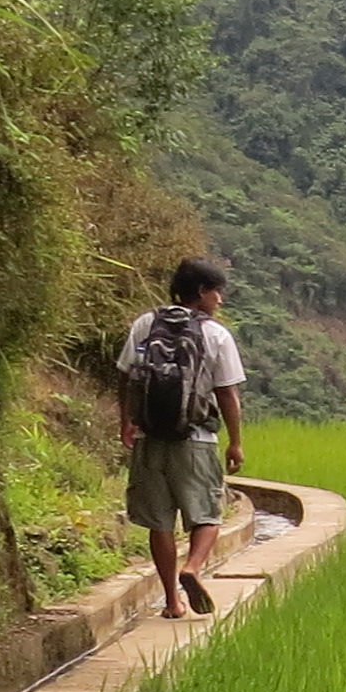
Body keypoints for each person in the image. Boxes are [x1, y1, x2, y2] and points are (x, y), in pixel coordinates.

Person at [117, 256, 248, 617]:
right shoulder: (216, 334)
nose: (220, 299)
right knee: (208, 514)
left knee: (159, 521)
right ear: (202, 292)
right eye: (217, 292)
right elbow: (227, 394)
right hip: (196, 439)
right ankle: (192, 567)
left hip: (149, 438)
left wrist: (127, 421)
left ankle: (172, 602)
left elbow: (126, 377)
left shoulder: (146, 323)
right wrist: (235, 442)